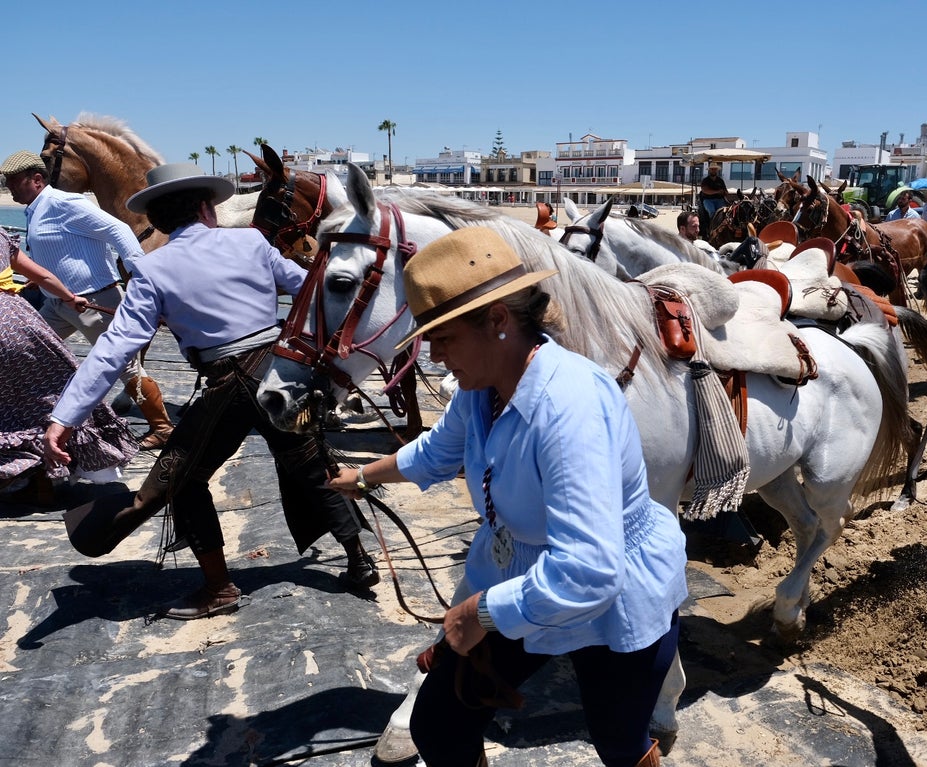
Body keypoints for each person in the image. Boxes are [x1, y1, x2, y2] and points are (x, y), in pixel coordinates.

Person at [327, 227, 685, 767]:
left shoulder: (570, 405)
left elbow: (588, 569)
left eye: (443, 338)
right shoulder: (483, 389)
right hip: (526, 577)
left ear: (498, 322)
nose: (435, 356)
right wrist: (361, 476)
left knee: (620, 742)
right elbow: (436, 453)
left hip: (612, 596)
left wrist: (482, 611)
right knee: (440, 722)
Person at [42, 163, 379, 620]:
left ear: (158, 221)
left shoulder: (152, 269)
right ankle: (359, 560)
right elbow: (309, 291)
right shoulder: (252, 241)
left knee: (182, 478)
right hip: (279, 374)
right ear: (206, 208)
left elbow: (113, 350)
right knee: (310, 462)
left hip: (226, 384)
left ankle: (219, 588)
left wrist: (65, 417)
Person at [0, 150, 173, 449]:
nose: (10, 188)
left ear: (37, 179)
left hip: (91, 301)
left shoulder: (65, 202)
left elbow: (118, 230)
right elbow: (60, 248)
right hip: (57, 303)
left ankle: (163, 428)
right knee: (25, 352)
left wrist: (140, 276)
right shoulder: (36, 208)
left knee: (124, 366)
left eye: (15, 182)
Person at [1, 228, 137, 504]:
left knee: (9, 407)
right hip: (18, 325)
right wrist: (69, 297)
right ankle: (43, 481)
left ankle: (22, 474)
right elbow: (44, 276)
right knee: (45, 396)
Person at [698, 163, 730, 236]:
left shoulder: (720, 181)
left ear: (717, 171)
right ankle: (712, 227)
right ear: (709, 170)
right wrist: (718, 191)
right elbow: (705, 191)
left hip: (719, 200)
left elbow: (725, 191)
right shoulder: (705, 180)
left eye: (715, 169)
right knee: (712, 212)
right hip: (708, 200)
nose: (713, 170)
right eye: (712, 169)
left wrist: (725, 192)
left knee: (724, 213)